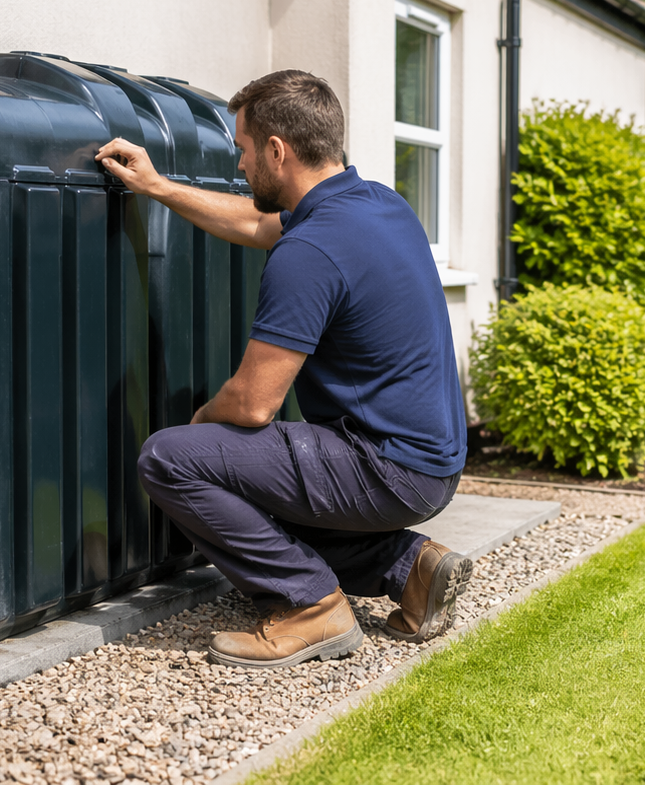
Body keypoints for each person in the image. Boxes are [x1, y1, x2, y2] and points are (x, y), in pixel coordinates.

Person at [94, 69, 470, 670]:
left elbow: (253, 404)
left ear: (277, 150)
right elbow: (254, 222)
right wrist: (158, 187)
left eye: (242, 150)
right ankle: (409, 569)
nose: (239, 165)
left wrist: (199, 425)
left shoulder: (310, 250)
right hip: (432, 464)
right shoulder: (377, 203)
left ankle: (310, 607)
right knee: (250, 485)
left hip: (388, 468)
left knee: (172, 459)